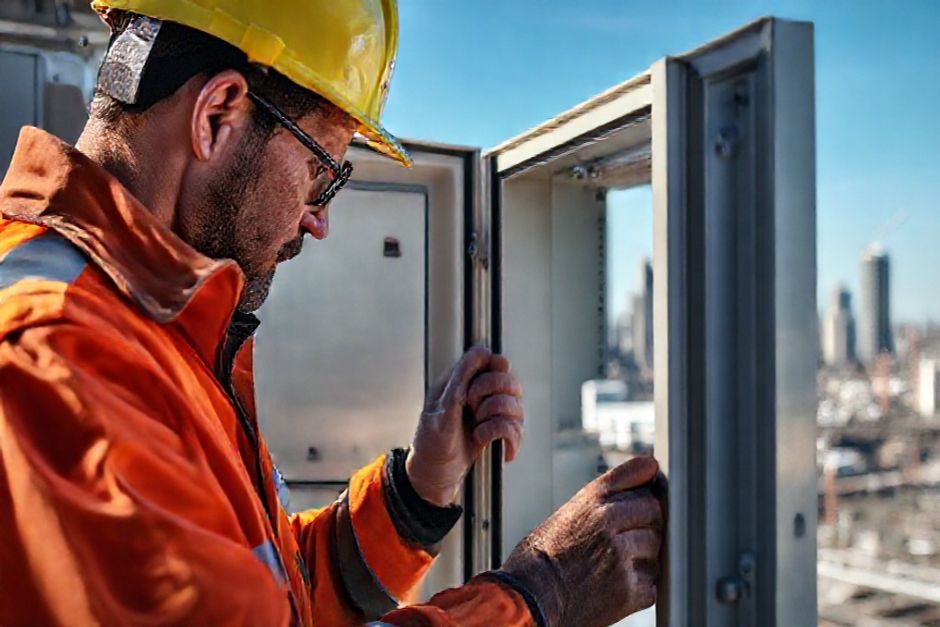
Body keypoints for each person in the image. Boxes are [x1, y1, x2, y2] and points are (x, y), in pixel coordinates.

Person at [0, 2, 664, 625]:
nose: (319, 220)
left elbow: (271, 593)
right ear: (217, 115)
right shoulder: (57, 361)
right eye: (322, 170)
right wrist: (543, 593)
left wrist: (419, 489)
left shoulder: (131, 324)